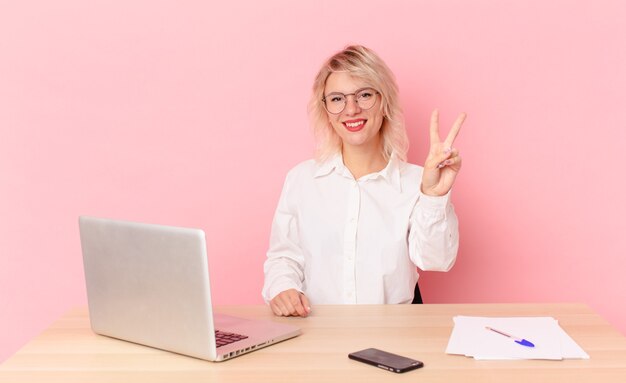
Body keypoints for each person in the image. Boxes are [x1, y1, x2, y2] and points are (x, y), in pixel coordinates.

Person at [262, 45, 465, 317]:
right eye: (337, 99)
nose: (351, 109)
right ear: (325, 110)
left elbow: (436, 260)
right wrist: (282, 288)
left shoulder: (417, 182)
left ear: (384, 103)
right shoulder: (302, 180)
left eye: (364, 95)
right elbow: (283, 256)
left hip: (393, 339)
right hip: (317, 336)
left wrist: (433, 196)